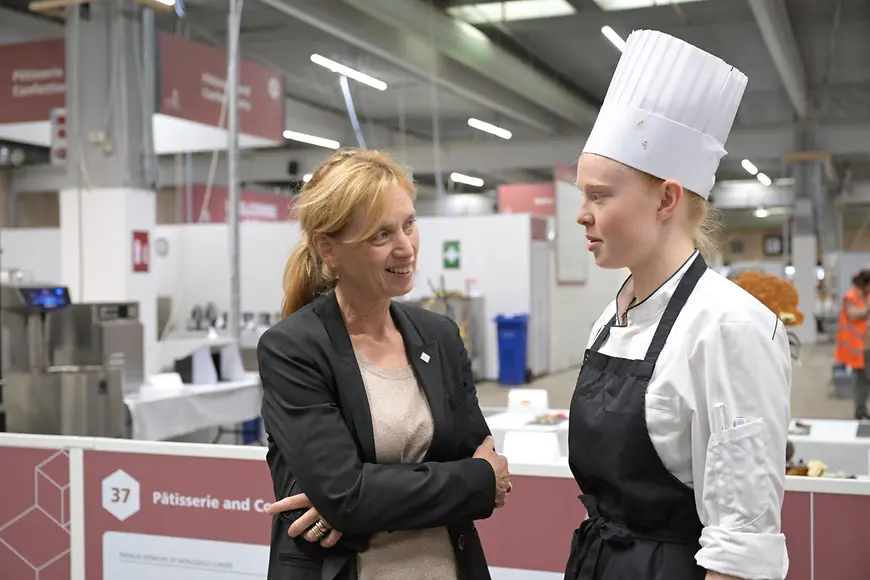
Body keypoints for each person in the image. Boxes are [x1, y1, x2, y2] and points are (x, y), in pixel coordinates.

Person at [565, 30, 792, 580]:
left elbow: (741, 543)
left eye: (599, 195)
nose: (581, 214)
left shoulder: (729, 327)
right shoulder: (612, 317)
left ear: (667, 198)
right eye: (582, 195)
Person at [256, 148, 511, 580]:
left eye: (409, 224)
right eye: (381, 236)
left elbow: (482, 458)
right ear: (328, 249)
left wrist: (358, 500)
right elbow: (348, 495)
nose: (405, 248)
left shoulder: (439, 336)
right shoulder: (293, 349)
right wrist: (470, 482)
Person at [834, 269, 870, 419]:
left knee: (864, 381)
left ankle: (861, 412)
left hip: (866, 346)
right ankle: (860, 412)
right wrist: (867, 310)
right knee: (861, 382)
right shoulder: (851, 296)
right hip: (859, 348)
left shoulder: (867, 296)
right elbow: (853, 314)